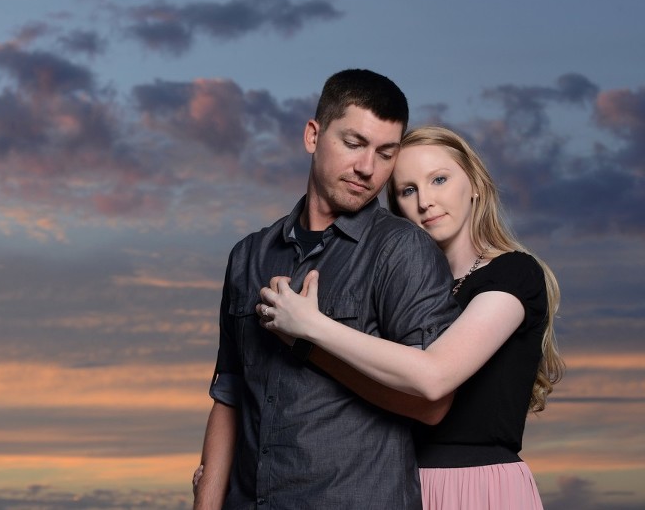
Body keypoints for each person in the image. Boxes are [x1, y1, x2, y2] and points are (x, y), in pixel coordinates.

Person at [256, 126, 565, 510]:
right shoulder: (403, 289)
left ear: (475, 185)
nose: (426, 201)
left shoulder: (515, 273)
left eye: (439, 179)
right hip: (396, 483)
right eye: (408, 190)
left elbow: (434, 377)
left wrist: (312, 327)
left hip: (479, 487)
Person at [193, 71, 461, 510]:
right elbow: (230, 394)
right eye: (354, 143)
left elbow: (431, 405)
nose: (367, 168)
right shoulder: (247, 255)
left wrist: (309, 344)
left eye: (385, 153)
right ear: (313, 136)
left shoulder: (403, 250)